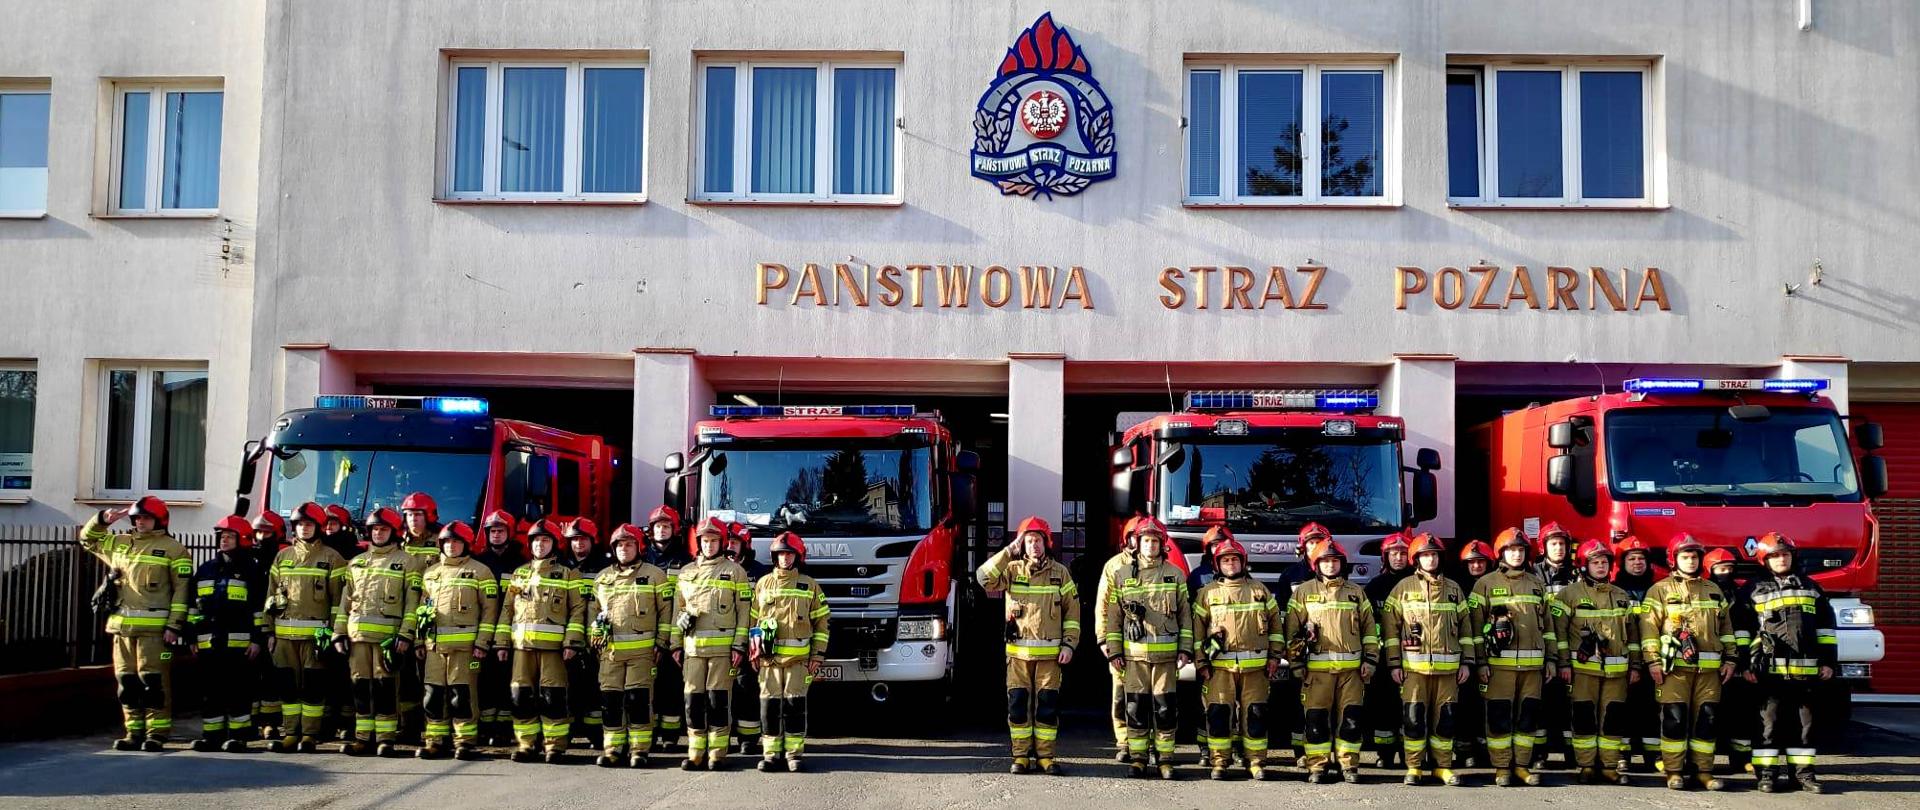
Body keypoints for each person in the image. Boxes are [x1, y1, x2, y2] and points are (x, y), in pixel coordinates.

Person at [79, 497, 191, 752]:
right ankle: (134, 731)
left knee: (154, 682)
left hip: (156, 633)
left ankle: (157, 732)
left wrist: (175, 626)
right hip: (122, 630)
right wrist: (100, 521)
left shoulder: (174, 549)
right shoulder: (119, 544)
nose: (141, 522)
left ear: (159, 520)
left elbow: (182, 591)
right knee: (127, 682)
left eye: (146, 518)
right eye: (137, 518)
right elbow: (87, 541)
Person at [977, 517, 1079, 775]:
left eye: (1038, 540)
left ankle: (1046, 757)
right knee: (1018, 706)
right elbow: (983, 578)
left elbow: (1072, 614)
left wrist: (1069, 645)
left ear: (1047, 542)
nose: (1034, 545)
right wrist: (1008, 551)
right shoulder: (1012, 570)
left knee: (1047, 708)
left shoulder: (1060, 573)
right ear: (1022, 545)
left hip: (1051, 659)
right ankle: (1020, 756)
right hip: (1018, 657)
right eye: (1028, 541)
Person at [1738, 532, 1836, 793]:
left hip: (1807, 673)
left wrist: (1828, 662)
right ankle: (1766, 775)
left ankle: (1803, 775)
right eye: (1774, 556)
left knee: (1804, 727)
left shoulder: (1812, 587)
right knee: (1767, 726)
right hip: (1768, 673)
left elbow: (1826, 629)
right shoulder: (1752, 590)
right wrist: (1745, 665)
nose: (1781, 559)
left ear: (1793, 556)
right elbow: (1741, 631)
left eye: (1785, 554)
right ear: (1764, 560)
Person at [1098, 515, 1191, 779]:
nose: (1151, 546)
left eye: (1155, 541)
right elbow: (1113, 615)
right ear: (1137, 544)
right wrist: (1114, 650)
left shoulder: (1175, 574)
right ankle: (1138, 759)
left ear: (1163, 545)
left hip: (1166, 657)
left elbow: (1185, 616)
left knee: (1165, 709)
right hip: (1133, 657)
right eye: (1146, 541)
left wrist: (1184, 649)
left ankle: (1165, 760)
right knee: (1135, 709)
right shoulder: (1121, 574)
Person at [1640, 532, 1735, 791]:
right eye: (1685, 556)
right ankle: (1673, 771)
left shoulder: (1714, 590)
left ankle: (1704, 771)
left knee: (1707, 720)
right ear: (1674, 559)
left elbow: (1726, 628)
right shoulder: (1659, 590)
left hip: (1710, 671)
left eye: (1694, 557)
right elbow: (1649, 630)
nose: (1691, 561)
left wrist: (1731, 659)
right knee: (1674, 720)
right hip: (1674, 670)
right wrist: (1652, 662)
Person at [1381, 532, 1473, 786]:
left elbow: (1466, 630)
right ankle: (1413, 766)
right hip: (1413, 670)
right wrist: (1394, 664)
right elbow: (1390, 630)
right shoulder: (1403, 588)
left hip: (1448, 671)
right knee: (1413, 720)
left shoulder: (1454, 589)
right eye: (1425, 555)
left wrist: (1467, 662)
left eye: (1434, 555)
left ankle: (1442, 766)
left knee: (1445, 721)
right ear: (1417, 559)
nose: (1430, 559)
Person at [332, 507, 424, 756]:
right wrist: (338, 633)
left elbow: (412, 604)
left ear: (393, 532)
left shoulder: (408, 562)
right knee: (360, 686)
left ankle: (385, 738)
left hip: (388, 640)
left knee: (385, 687)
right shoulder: (356, 562)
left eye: (384, 529)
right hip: (357, 637)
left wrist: (406, 634)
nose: (379, 533)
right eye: (375, 529)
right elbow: (345, 603)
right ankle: (363, 737)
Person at [1469, 528, 1557, 787]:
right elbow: (1474, 630)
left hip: (1533, 668)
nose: (1517, 554)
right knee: (1499, 718)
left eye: (1520, 550)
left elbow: (1548, 627)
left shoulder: (1537, 584)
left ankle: (1522, 766)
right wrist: (1481, 663)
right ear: (1501, 553)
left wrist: (1551, 659)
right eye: (1511, 550)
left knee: (1528, 719)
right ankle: (1501, 768)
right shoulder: (1484, 584)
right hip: (1498, 668)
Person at [1191, 527, 1281, 781]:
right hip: (1219, 668)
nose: (1230, 564)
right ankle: (1220, 762)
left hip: (1256, 669)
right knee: (1218, 716)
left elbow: (1275, 629)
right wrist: (1201, 662)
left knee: (1255, 716)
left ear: (1243, 562)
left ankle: (1256, 762)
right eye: (1225, 560)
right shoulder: (1206, 593)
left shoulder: (1260, 590)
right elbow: (1197, 633)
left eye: (1234, 559)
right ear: (1218, 565)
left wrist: (1274, 657)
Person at [1285, 537, 1377, 783]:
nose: (1330, 566)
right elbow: (1292, 632)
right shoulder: (1303, 592)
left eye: (1335, 561)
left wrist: (1370, 660)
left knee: (1351, 720)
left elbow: (1370, 630)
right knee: (1315, 721)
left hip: (1352, 673)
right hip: (1316, 673)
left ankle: (1348, 766)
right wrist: (1296, 665)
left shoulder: (1356, 593)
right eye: (1325, 561)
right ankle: (1317, 766)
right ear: (1316, 565)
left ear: (1342, 564)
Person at [1554, 539, 1642, 785]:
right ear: (1584, 565)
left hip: (1617, 673)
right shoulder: (1568, 595)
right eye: (1596, 562)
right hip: (1582, 671)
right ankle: (1586, 766)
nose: (1601, 567)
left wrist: (1635, 666)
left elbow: (1633, 637)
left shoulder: (1622, 596)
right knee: (1584, 718)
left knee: (1613, 719)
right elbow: (1559, 635)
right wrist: (1563, 665)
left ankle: (1610, 767)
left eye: (1605, 562)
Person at [264, 501, 349, 753]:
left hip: (315, 638)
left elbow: (338, 602)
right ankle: (291, 733)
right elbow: (270, 598)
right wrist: (268, 631)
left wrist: (335, 634)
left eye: (309, 524)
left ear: (318, 527)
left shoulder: (332, 559)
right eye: (300, 524)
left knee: (313, 688)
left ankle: (310, 735)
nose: (304, 528)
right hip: (283, 637)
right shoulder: (282, 556)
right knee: (288, 687)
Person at [586, 523, 673, 768]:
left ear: (639, 547)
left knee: (639, 700)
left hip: (642, 653)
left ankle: (639, 750)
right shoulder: (603, 578)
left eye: (629, 544)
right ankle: (613, 749)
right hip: (610, 653)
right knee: (611, 701)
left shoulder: (655, 575)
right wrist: (594, 636)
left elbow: (666, 613)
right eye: (620, 545)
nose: (624, 549)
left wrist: (661, 643)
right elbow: (593, 613)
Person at [501, 519, 586, 763]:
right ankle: (526, 744)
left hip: (553, 650)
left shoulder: (569, 574)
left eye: (545, 540)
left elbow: (578, 610)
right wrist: (501, 644)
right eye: (536, 540)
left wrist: (571, 643)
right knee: (521, 696)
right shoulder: (519, 574)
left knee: (553, 697)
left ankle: (554, 746)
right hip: (521, 648)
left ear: (554, 544)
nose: (540, 544)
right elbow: (507, 609)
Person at [671, 517, 751, 771]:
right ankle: (696, 752)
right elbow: (677, 612)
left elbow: (744, 613)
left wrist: (739, 645)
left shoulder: (736, 572)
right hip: (692, 650)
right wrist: (675, 644)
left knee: (718, 701)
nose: (709, 545)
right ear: (698, 543)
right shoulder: (686, 573)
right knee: (693, 701)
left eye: (714, 541)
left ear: (722, 543)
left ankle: (717, 753)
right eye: (705, 541)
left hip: (722, 652)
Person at [416, 521, 500, 760]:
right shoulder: (431, 573)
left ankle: (464, 741)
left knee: (462, 695)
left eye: (457, 542)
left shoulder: (480, 572)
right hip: (434, 648)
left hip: (467, 650)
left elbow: (489, 612)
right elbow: (421, 610)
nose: (451, 546)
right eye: (447, 542)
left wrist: (483, 643)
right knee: (432, 694)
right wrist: (418, 641)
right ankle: (435, 741)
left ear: (466, 544)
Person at [748, 531, 830, 772]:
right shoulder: (763, 584)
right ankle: (771, 754)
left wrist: (817, 655)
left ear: (798, 557)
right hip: (768, 661)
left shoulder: (809, 585)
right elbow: (753, 621)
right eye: (781, 554)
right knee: (770, 707)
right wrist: (753, 651)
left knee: (795, 707)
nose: (785, 558)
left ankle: (794, 755)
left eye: (789, 554)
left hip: (798, 660)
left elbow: (822, 623)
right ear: (775, 557)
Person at [190, 515, 267, 753]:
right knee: (210, 692)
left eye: (230, 536)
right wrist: (192, 637)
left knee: (238, 691)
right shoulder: (205, 570)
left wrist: (257, 640)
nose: (224, 540)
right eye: (222, 536)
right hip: (208, 643)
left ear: (242, 539)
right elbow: (193, 606)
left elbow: (259, 609)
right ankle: (211, 736)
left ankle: (238, 736)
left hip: (239, 643)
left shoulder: (251, 570)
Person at [1270, 522, 1328, 762]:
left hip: (1328, 651)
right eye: (1311, 543)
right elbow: (1282, 614)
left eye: (1319, 542)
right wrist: (1290, 649)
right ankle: (1299, 750)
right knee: (1297, 699)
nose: (1315, 547)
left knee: (1323, 703)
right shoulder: (1290, 575)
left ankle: (1324, 748)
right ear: (1303, 548)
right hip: (1299, 650)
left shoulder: (1334, 572)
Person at [640, 505, 691, 753]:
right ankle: (646, 735)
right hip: (644, 632)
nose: (662, 531)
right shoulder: (641, 559)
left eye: (666, 526)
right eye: (658, 527)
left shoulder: (686, 561)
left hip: (673, 632)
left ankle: (670, 737)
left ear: (675, 529)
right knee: (645, 686)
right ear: (651, 531)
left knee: (670, 685)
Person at [472, 510, 525, 745]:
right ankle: (485, 726)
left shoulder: (520, 563)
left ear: (509, 534)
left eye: (500, 531)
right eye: (492, 531)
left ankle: (504, 728)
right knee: (484, 679)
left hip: (509, 630)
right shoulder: (480, 562)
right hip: (483, 629)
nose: (495, 535)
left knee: (506, 679)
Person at [1611, 535, 1663, 772]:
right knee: (1623, 707)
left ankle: (1653, 755)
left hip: (1653, 659)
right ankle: (1623, 754)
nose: (1637, 563)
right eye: (1631, 559)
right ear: (1623, 563)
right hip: (1623, 659)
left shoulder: (1658, 588)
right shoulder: (1614, 590)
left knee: (1652, 707)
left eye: (1641, 558)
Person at [1363, 531, 1414, 768]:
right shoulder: (1375, 587)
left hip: (1414, 656)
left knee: (1410, 706)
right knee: (1384, 706)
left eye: (1403, 553)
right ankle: (1385, 753)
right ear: (1385, 557)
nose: (1399, 558)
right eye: (1394, 553)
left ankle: (1408, 753)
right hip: (1383, 659)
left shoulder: (1418, 584)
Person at [1532, 522, 1579, 770]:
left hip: (1571, 649)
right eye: (1553, 544)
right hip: (1543, 646)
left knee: (1569, 703)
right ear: (1544, 547)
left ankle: (1571, 752)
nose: (1559, 548)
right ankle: (1540, 753)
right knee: (1542, 701)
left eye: (1562, 544)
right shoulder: (1533, 574)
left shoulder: (1577, 575)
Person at [1705, 547, 1753, 773]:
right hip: (1708, 662)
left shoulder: (1742, 596)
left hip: (1736, 664)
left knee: (1740, 713)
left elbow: (1745, 631)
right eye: (1721, 569)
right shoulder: (1705, 594)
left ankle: (1741, 758)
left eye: (1729, 569)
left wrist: (1743, 663)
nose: (1726, 573)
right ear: (1710, 570)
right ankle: (1706, 760)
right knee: (1708, 713)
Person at [563, 518, 609, 749]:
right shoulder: (560, 565)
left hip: (594, 637)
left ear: (593, 540)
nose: (578, 544)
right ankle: (570, 731)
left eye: (583, 539)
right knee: (568, 686)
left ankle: (595, 733)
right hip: (567, 637)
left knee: (594, 686)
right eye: (574, 539)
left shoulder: (604, 566)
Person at [726, 521, 771, 757]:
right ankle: (721, 738)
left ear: (745, 545)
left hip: (748, 642)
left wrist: (757, 644)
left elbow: (766, 611)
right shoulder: (715, 569)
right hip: (720, 640)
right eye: (727, 542)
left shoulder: (760, 573)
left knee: (747, 688)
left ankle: (748, 738)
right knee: (720, 691)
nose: (729, 547)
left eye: (734, 543)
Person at [1450, 540, 1495, 769]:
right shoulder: (1457, 589)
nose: (1476, 566)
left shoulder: (1496, 585)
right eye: (1472, 562)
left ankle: (1484, 749)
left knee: (1486, 706)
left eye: (1481, 562)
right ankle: (1464, 751)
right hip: (1465, 656)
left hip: (1493, 655)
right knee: (1465, 704)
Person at [249, 511, 288, 740]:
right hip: (251, 628)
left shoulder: (283, 557)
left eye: (267, 532)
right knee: (251, 677)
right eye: (258, 531)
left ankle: (271, 724)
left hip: (274, 626)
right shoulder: (248, 558)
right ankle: (253, 722)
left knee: (272, 677)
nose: (262, 536)